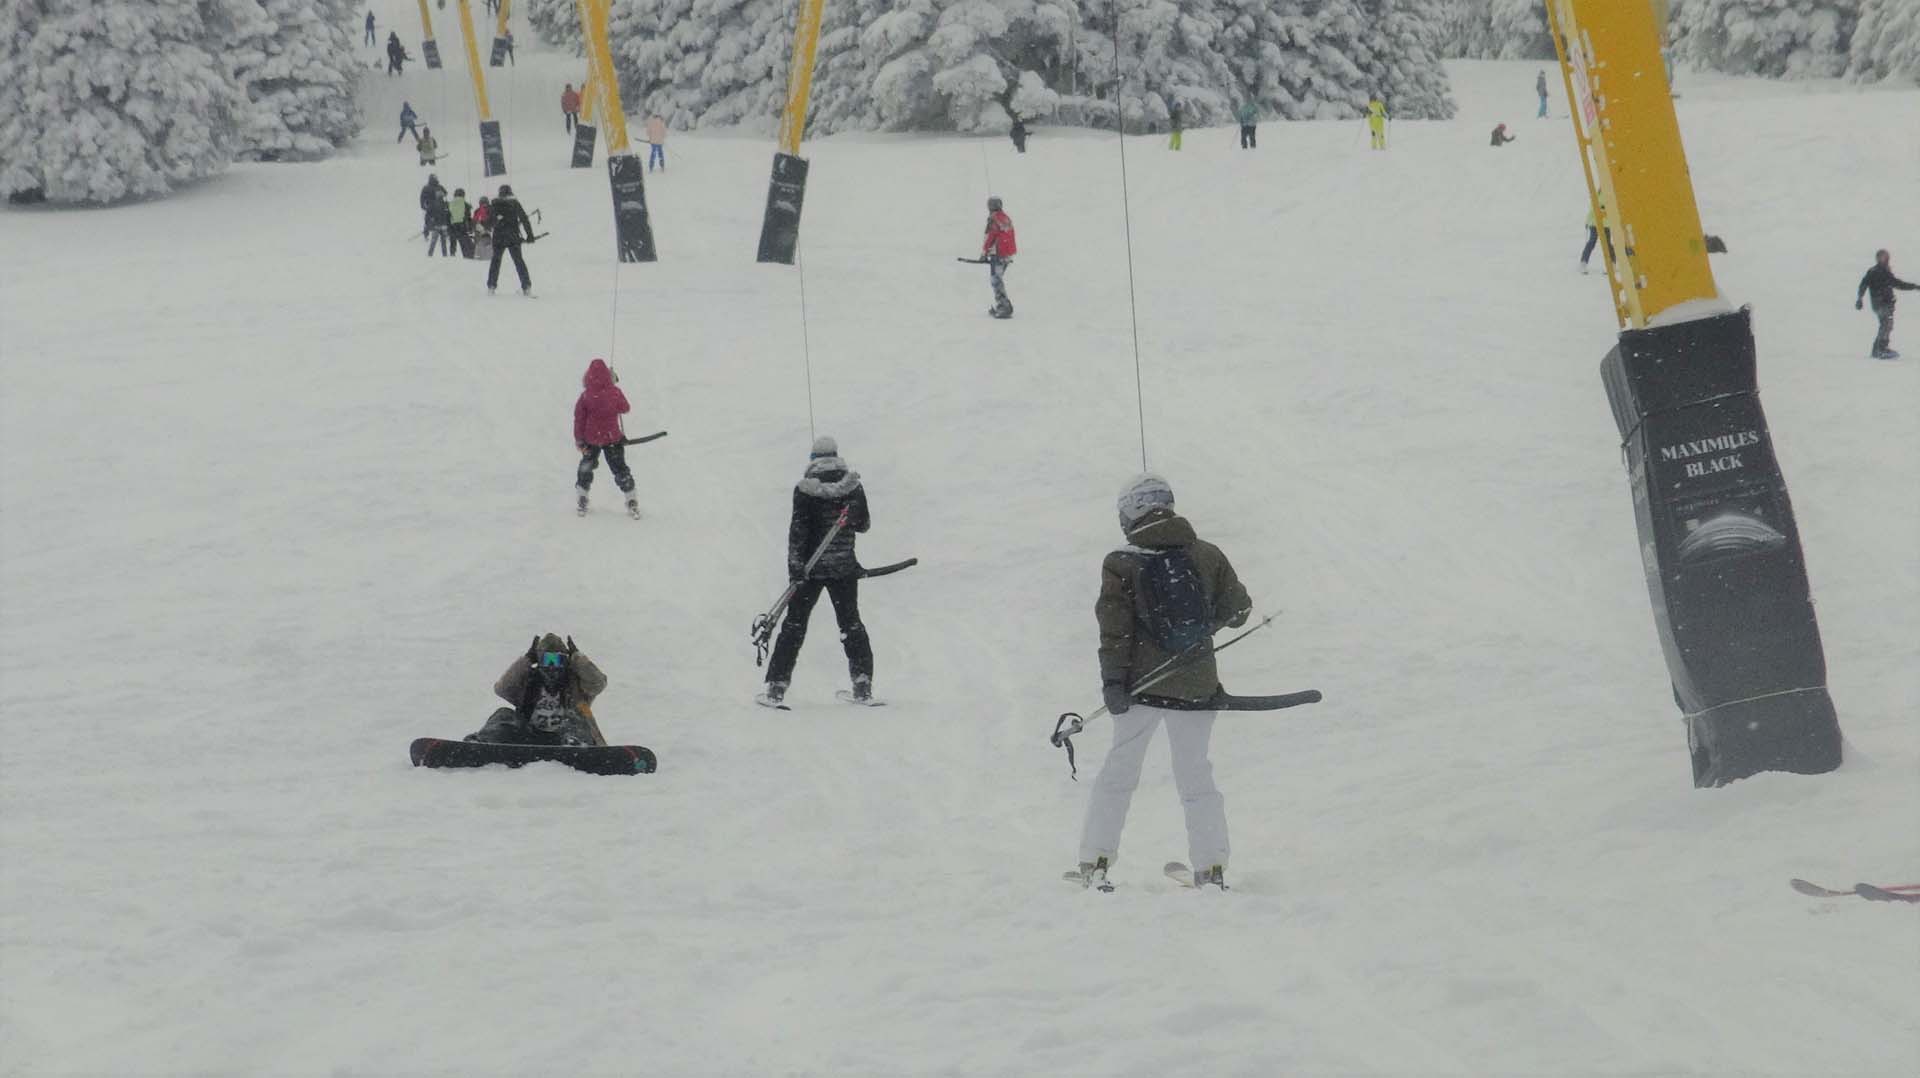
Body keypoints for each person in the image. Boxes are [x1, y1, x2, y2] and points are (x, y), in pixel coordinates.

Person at [1069, 474, 1252, 893]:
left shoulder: (1121, 561)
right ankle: (1212, 868)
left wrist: (1113, 682)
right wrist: (1196, 632)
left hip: (1139, 689)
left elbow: (1114, 631)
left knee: (1119, 773)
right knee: (1195, 776)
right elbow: (1238, 609)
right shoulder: (1207, 553)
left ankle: (1095, 861)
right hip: (1197, 687)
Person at [757, 437, 874, 708]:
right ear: (836, 455)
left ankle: (776, 687)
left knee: (794, 627)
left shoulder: (806, 490)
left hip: (810, 571)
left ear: (812, 459)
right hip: (843, 567)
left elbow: (798, 533)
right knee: (851, 625)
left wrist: (795, 571)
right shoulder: (853, 487)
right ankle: (862, 684)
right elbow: (864, 524)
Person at [465, 634, 607, 747]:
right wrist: (526, 660)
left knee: (580, 713)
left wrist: (577, 657)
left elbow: (598, 683)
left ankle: (575, 746)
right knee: (503, 714)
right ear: (539, 661)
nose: (552, 666)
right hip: (530, 737)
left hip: (565, 737)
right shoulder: (530, 681)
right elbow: (502, 689)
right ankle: (482, 743)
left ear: (566, 662)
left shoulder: (575, 683)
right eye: (547, 660)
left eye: (558, 660)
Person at [574, 358, 640, 517]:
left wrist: (579, 440)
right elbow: (625, 408)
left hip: (591, 439)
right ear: (608, 375)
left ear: (588, 376)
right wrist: (613, 384)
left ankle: (582, 496)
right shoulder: (614, 392)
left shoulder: (585, 396)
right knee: (620, 469)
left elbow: (579, 419)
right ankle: (631, 499)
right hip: (612, 439)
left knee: (586, 467)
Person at [1856, 249, 1918, 359]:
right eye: (1881, 257)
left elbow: (1897, 284)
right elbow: (1863, 284)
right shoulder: (1875, 271)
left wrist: (1914, 287)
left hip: (1885, 303)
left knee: (1886, 324)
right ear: (1877, 258)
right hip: (1880, 303)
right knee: (1886, 324)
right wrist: (1860, 298)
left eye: (1884, 257)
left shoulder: (1884, 271)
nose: (1883, 259)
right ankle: (1881, 349)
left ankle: (1877, 349)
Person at [485, 184, 535, 296]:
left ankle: (491, 287)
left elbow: (489, 223)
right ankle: (526, 287)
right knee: (518, 261)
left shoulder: (494, 205)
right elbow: (524, 219)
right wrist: (530, 235)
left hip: (498, 237)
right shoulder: (514, 203)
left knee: (495, 262)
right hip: (513, 236)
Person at [982, 195, 1017, 319]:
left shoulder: (994, 219)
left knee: (995, 280)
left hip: (998, 253)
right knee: (998, 279)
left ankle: (1003, 307)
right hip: (1007, 254)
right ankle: (1003, 304)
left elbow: (991, 236)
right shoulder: (1005, 218)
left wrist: (984, 253)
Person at [1579, 203, 1613, 274]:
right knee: (1592, 242)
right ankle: (1583, 262)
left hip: (1605, 225)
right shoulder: (1598, 194)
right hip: (1595, 224)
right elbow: (1592, 209)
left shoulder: (1609, 194)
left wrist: (1604, 210)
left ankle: (1612, 264)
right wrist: (1587, 222)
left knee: (1607, 244)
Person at [424, 188, 453, 257]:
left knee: (433, 242)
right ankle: (444, 255)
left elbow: (427, 215)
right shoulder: (446, 204)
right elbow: (449, 215)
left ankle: (430, 255)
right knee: (443, 242)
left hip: (435, 226)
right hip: (444, 226)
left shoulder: (432, 204)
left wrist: (428, 224)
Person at [418, 173, 445, 238]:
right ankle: (427, 232)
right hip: (433, 206)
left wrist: (423, 206)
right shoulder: (428, 187)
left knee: (433, 219)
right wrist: (423, 205)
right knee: (431, 219)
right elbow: (422, 197)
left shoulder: (438, 186)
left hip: (436, 206)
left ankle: (430, 231)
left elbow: (445, 193)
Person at [447, 187, 473, 257]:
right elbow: (468, 216)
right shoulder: (465, 204)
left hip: (452, 226)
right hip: (462, 226)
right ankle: (467, 256)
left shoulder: (450, 203)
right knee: (464, 243)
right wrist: (470, 228)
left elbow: (448, 216)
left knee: (453, 242)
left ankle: (452, 254)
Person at [472, 197, 493, 262]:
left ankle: (479, 258)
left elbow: (474, 221)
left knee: (479, 245)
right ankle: (489, 258)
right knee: (489, 246)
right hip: (489, 230)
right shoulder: (491, 209)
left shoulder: (477, 210)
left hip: (479, 231)